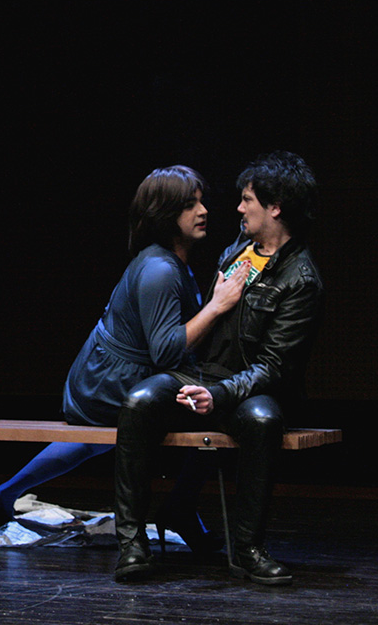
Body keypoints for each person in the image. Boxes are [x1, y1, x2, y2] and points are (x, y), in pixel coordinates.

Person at [0, 165, 249, 532]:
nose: (202, 211)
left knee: (93, 442)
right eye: (189, 205)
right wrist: (216, 307)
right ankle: (180, 508)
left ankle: (4, 494)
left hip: (110, 376)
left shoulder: (172, 263)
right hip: (106, 383)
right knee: (218, 411)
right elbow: (166, 351)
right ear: (165, 214)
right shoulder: (160, 269)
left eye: (201, 202)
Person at [113, 150, 323, 586]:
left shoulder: (301, 279)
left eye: (248, 200)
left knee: (262, 421)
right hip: (207, 375)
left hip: (253, 388)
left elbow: (273, 366)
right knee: (139, 401)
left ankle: (248, 548)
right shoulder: (236, 252)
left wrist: (219, 395)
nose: (239, 208)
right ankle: (132, 543)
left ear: (275, 207)